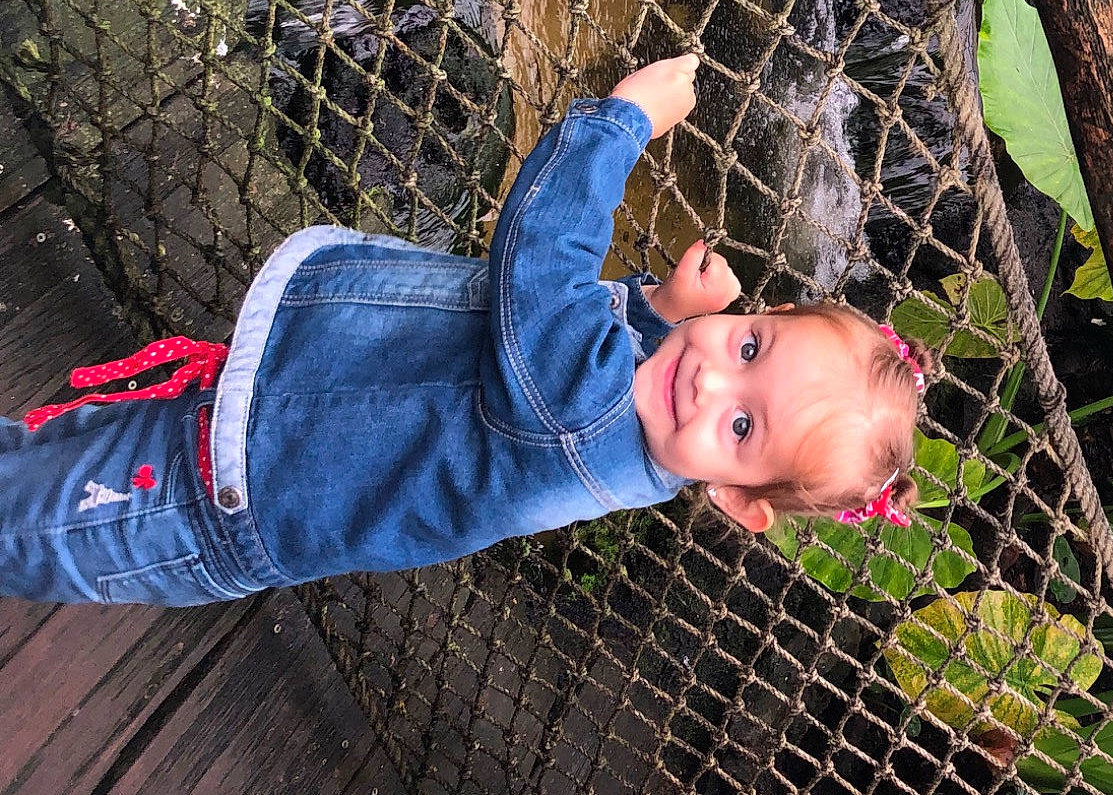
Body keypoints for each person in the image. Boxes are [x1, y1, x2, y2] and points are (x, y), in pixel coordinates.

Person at [0, 54, 932, 606]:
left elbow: (543, 263)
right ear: (754, 314)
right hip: (254, 421)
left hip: (217, 492)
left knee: (24, 525)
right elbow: (599, 350)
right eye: (749, 347)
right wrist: (659, 312)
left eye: (742, 427)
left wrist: (625, 120)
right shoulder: (643, 419)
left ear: (736, 499)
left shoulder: (585, 416)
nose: (710, 379)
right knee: (32, 466)